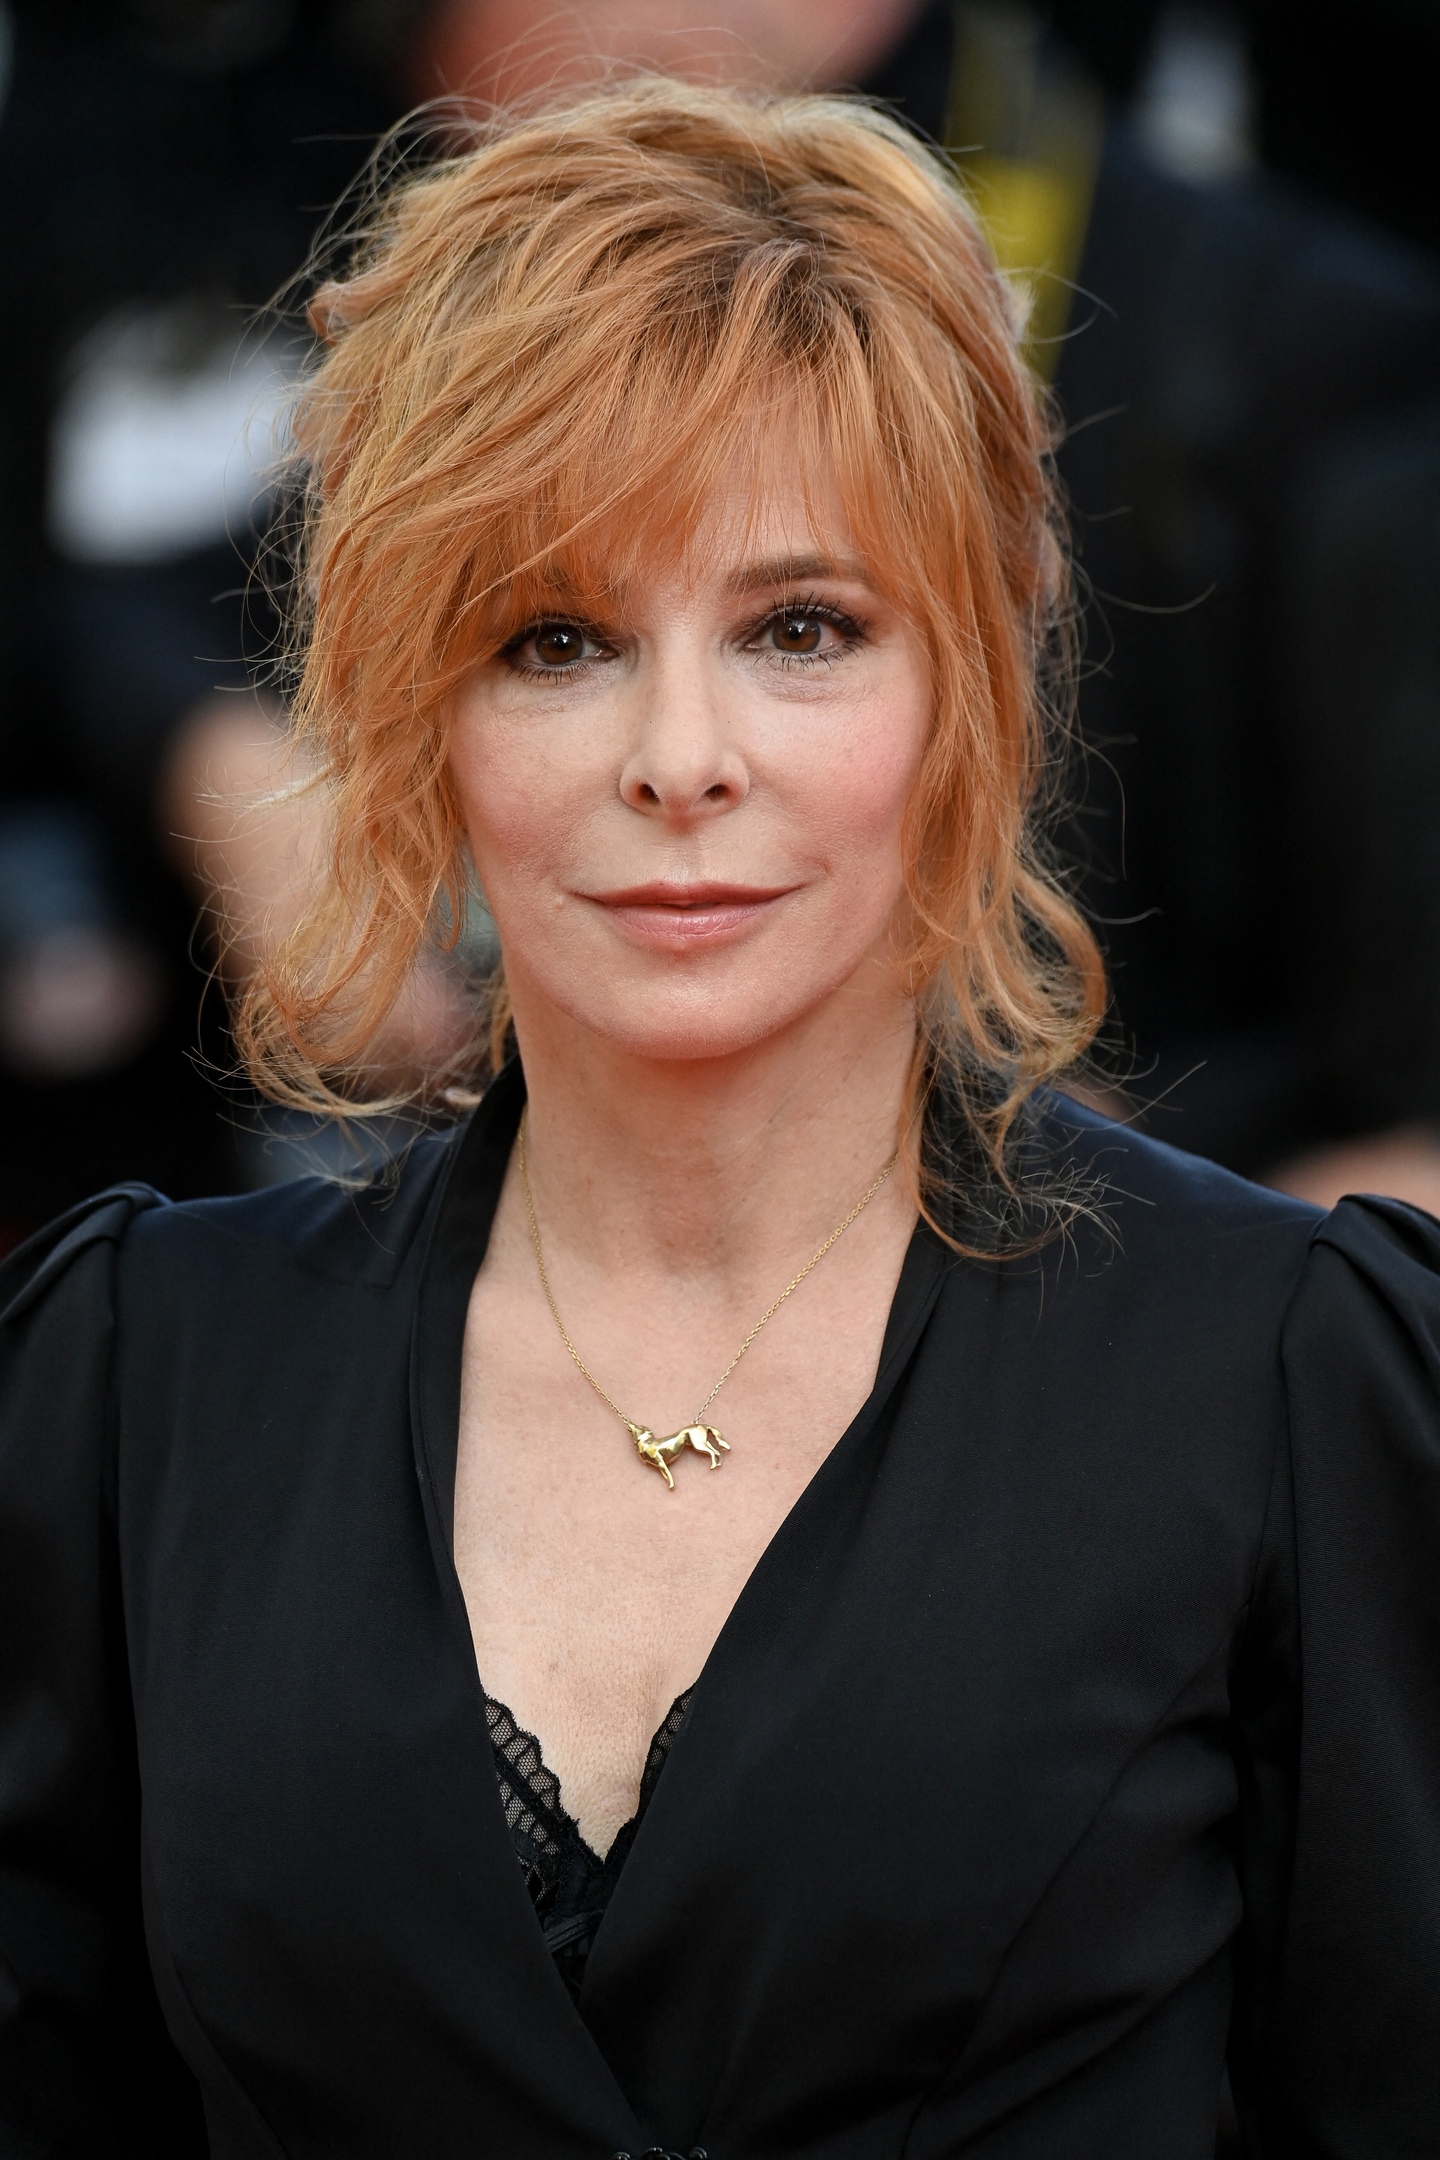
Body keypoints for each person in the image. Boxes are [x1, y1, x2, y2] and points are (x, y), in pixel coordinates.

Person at [1, 77, 1437, 2160]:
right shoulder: (135, 1382)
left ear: (971, 678)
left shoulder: (1287, 1378)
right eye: (557, 638)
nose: (681, 756)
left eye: (800, 630)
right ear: (414, 705)